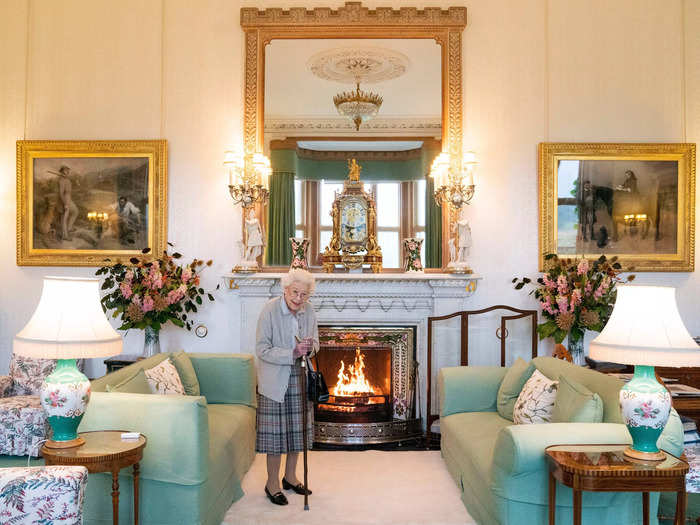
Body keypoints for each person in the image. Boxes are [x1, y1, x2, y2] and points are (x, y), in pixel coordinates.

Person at [255, 269, 318, 506]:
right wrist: (291, 352)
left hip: (300, 376)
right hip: (274, 380)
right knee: (276, 437)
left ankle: (290, 477)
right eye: (295, 292)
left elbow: (317, 344)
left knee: (296, 432)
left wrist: (309, 348)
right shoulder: (270, 310)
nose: (299, 299)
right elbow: (261, 349)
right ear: (285, 289)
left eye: (304, 294)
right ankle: (272, 483)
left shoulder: (309, 311)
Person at [53, 166, 78, 241]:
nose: (67, 172)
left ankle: (69, 228)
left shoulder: (67, 180)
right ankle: (65, 235)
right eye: (65, 171)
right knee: (64, 217)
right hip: (64, 198)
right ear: (62, 172)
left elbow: (70, 189)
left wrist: (76, 182)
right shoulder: (61, 181)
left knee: (75, 211)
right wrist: (65, 204)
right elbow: (61, 193)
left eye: (68, 171)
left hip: (69, 198)